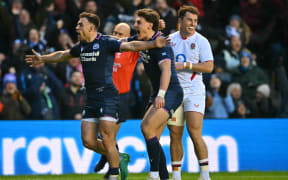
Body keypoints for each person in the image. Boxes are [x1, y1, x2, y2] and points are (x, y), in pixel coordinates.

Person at [25, 12, 169, 180]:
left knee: (108, 138)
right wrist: (42, 58)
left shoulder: (106, 42)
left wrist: (154, 42)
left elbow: (132, 45)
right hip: (91, 98)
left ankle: (114, 175)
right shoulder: (82, 46)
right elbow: (63, 54)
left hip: (108, 96)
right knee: (88, 141)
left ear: (91, 27)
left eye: (80, 25)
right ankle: (118, 156)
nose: (76, 27)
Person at [131, 9, 183, 180]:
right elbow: (122, 42)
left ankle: (154, 175)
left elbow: (166, 70)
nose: (135, 25)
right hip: (158, 92)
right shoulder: (144, 40)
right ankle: (164, 177)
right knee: (152, 135)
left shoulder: (162, 45)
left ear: (149, 25)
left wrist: (161, 94)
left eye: (139, 22)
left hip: (170, 92)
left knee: (146, 127)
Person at [167, 6, 214, 180]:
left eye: (195, 21)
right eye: (189, 20)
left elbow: (209, 66)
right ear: (180, 20)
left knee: (194, 132)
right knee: (175, 134)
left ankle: (204, 175)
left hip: (194, 91)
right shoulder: (170, 40)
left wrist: (186, 65)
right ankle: (176, 176)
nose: (192, 24)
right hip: (174, 92)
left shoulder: (202, 41)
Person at [93, 22, 140, 179]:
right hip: (104, 95)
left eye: (120, 34)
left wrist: (159, 28)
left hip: (120, 97)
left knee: (108, 136)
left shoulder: (132, 50)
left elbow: (145, 38)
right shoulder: (108, 48)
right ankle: (114, 158)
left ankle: (110, 166)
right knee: (103, 135)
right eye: (114, 32)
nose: (116, 36)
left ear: (127, 36)